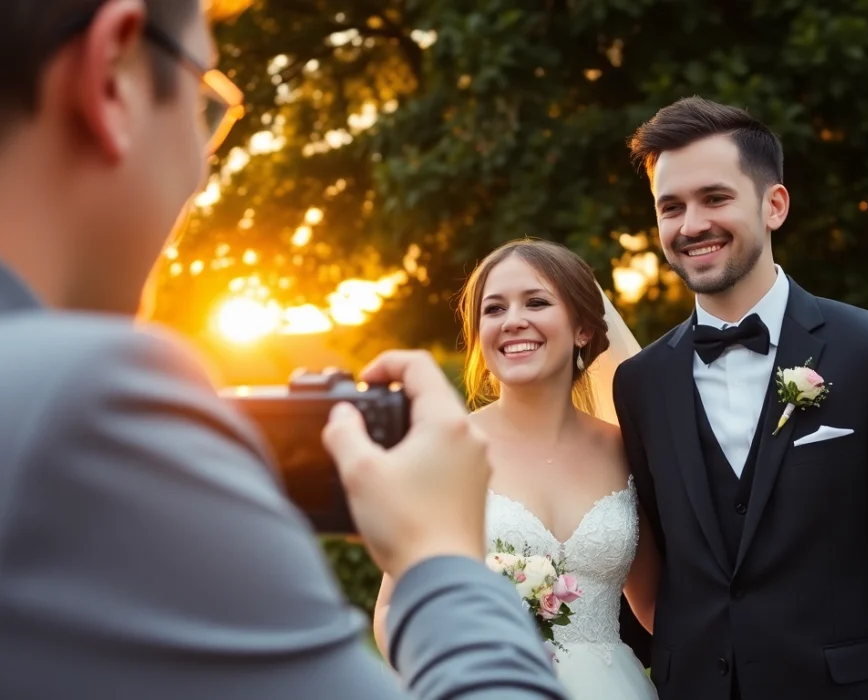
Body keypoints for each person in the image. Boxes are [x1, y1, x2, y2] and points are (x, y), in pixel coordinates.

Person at [0, 2, 570, 698]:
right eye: (208, 102)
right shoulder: (87, 404)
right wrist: (439, 553)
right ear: (114, 76)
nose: (201, 170)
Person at [614, 95, 868, 700]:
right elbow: (650, 561)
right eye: (670, 207)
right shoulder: (640, 381)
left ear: (774, 204)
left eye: (716, 198)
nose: (691, 225)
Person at [372, 239, 659, 698]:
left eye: (537, 302)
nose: (513, 321)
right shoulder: (448, 451)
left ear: (583, 328)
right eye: (494, 309)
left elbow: (653, 606)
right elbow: (391, 610)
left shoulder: (626, 450)